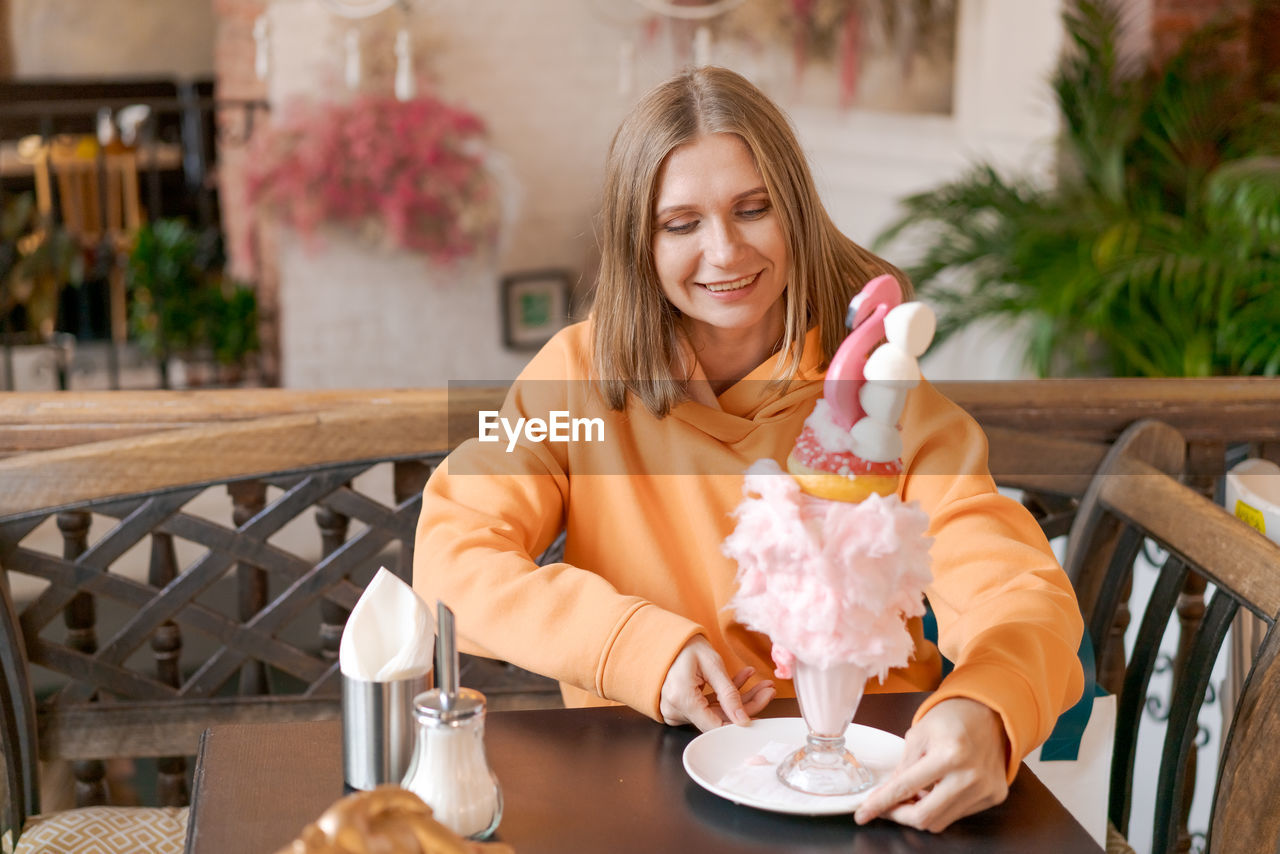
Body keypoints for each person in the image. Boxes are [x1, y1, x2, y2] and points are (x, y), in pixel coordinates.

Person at [414, 66, 1083, 833]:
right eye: (681, 224)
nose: (725, 252)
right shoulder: (574, 378)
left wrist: (985, 707)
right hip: (642, 786)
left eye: (752, 209)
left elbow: (1013, 586)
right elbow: (452, 556)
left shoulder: (883, 395)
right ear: (641, 242)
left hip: (870, 792)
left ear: (794, 210)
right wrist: (640, 650)